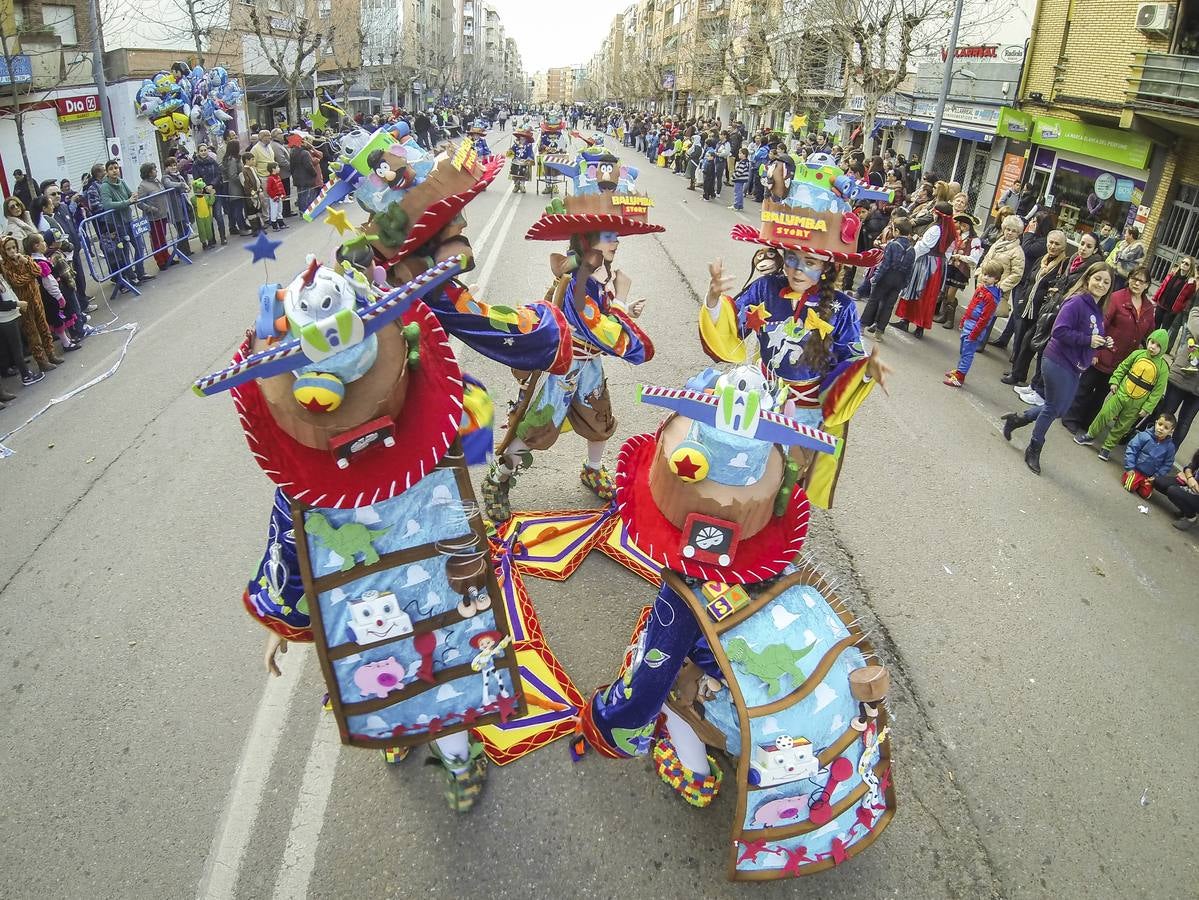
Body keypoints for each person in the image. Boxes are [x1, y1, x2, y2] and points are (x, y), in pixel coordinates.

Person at [699, 153, 891, 508]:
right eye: (791, 257)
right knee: (748, 469)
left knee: (789, 481)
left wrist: (865, 373)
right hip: (760, 399)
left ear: (829, 265)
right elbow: (731, 331)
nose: (797, 269)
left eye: (811, 262)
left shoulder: (843, 310)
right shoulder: (765, 289)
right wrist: (713, 301)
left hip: (806, 413)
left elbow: (849, 363)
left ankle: (779, 543)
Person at [483, 176, 661, 522]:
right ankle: (497, 481)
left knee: (600, 421)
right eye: (610, 237)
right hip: (564, 369)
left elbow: (603, 319)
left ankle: (593, 470)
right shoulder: (577, 281)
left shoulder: (593, 280)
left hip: (589, 367)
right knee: (536, 427)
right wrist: (622, 301)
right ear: (588, 241)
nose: (616, 243)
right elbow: (601, 331)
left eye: (616, 237)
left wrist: (621, 307)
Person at [1003, 262, 1114, 475]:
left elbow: (1090, 334)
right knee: (1053, 407)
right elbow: (1059, 332)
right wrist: (1088, 340)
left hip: (1075, 365)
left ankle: (1017, 419)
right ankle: (1034, 449)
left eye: (1106, 282)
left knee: (1059, 409)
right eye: (1097, 279)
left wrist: (1101, 342)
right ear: (1088, 278)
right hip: (1057, 361)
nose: (1101, 284)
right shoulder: (1077, 302)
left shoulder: (1098, 308)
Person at [1062, 266, 1154, 434]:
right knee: (1086, 386)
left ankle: (1087, 422)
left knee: (1102, 393)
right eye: (1134, 278)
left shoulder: (1148, 307)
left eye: (1141, 281)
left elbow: (1149, 334)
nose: (1137, 283)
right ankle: (1071, 418)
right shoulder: (1117, 298)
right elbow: (1101, 324)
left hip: (1123, 360)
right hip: (1104, 352)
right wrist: (1096, 351)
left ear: (1147, 285)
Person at [1074, 328, 1170, 458]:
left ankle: (1107, 447)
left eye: (1158, 346)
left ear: (1163, 349)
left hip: (1137, 403)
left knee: (1122, 426)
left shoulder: (1163, 369)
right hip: (1121, 393)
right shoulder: (1137, 354)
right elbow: (1123, 367)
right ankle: (1090, 435)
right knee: (1104, 414)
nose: (1153, 347)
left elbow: (1157, 391)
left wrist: (1147, 407)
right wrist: (1115, 381)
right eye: (1152, 342)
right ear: (1148, 341)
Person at [1003, 231, 1070, 385]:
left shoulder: (1063, 265)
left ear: (1063, 247)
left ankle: (1017, 374)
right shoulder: (1041, 259)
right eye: (1050, 242)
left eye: (1057, 244)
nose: (1052, 246)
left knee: (1028, 342)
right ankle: (1017, 371)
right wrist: (1021, 299)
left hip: (1041, 311)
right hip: (1026, 306)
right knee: (1019, 339)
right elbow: (1028, 280)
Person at [892, 200, 954, 337]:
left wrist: (911, 257)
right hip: (938, 264)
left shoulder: (935, 229)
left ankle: (905, 320)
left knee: (914, 289)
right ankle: (920, 326)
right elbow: (949, 252)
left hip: (925, 262)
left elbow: (924, 246)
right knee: (929, 295)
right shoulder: (951, 231)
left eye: (934, 212)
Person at [0, 234, 61, 370]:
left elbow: (37, 270)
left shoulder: (25, 258)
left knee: (44, 327)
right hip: (24, 303)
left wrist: (26, 262)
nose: (12, 251)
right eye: (8, 249)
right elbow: (16, 281)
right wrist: (31, 276)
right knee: (32, 333)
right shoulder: (5, 266)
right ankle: (41, 361)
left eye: (14, 247)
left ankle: (51, 354)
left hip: (36, 299)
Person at [944, 260, 1003, 388]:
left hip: (975, 328)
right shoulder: (981, 289)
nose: (986, 278)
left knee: (967, 353)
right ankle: (959, 370)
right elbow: (971, 306)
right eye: (985, 274)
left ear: (997, 279)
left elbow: (985, 318)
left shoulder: (991, 297)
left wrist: (975, 332)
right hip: (969, 324)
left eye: (990, 276)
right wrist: (964, 319)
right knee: (963, 349)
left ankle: (960, 377)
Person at [97, 159, 151, 286]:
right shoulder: (105, 186)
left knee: (139, 246)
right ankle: (131, 277)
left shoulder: (121, 181)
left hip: (129, 220)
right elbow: (107, 204)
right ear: (107, 172)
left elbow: (129, 194)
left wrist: (134, 196)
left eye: (116, 167)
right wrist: (127, 202)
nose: (115, 170)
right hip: (117, 224)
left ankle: (140, 272)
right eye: (111, 169)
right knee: (125, 251)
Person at [860, 215, 915, 340]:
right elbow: (910, 269)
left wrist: (875, 278)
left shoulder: (892, 245)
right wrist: (905, 283)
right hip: (899, 280)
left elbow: (885, 265)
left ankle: (862, 325)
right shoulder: (912, 249)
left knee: (873, 300)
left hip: (886, 277)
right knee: (888, 306)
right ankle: (879, 331)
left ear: (897, 231)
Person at [935, 213, 982, 328]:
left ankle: (950, 320)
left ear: (971, 226)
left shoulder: (975, 240)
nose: (963, 226)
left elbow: (974, 258)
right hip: (951, 266)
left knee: (951, 294)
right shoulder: (957, 235)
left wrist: (960, 257)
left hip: (961, 270)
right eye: (962, 223)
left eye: (966, 224)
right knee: (945, 292)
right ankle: (945, 316)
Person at [0, 269, 44, 389]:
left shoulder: (1, 276)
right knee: (17, 349)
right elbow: (1, 305)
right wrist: (17, 304)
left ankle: (24, 372)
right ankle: (26, 376)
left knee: (16, 348)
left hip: (11, 316)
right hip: (6, 319)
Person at [1119, 413, 1176, 497]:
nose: (1161, 429)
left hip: (1149, 476)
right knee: (1129, 487)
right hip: (1136, 470)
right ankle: (1130, 478)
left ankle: (1140, 484)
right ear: (1156, 423)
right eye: (1160, 424)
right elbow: (1132, 449)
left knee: (1145, 495)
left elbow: (1167, 464)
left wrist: (1156, 477)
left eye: (1166, 428)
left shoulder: (1170, 447)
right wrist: (1130, 467)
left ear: (1171, 431)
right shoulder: (1144, 436)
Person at [136, 162, 172, 270]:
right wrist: (151, 209)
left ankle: (166, 256)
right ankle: (160, 260)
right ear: (148, 172)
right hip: (153, 217)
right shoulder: (143, 186)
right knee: (156, 239)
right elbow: (139, 202)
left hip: (162, 214)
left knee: (163, 237)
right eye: (154, 169)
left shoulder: (157, 181)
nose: (156, 170)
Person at [191, 144, 228, 247]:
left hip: (215, 191)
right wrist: (204, 187)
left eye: (205, 150)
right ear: (198, 152)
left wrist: (212, 185)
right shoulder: (195, 165)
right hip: (203, 195)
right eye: (201, 151)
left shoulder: (213, 162)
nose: (203, 152)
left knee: (218, 215)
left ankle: (223, 236)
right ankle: (211, 240)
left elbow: (218, 175)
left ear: (207, 151)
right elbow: (196, 179)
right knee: (208, 218)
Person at [1154, 446, 1199, 529]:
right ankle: (1185, 508)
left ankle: (1191, 518)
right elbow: (1190, 466)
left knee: (1173, 491)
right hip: (1190, 483)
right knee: (1158, 482)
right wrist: (1189, 477)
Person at [1151, 256, 1195, 333]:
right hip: (1161, 304)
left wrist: (1179, 308)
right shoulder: (1172, 274)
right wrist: (1155, 298)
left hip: (1171, 310)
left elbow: (1188, 299)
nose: (1184, 264)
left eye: (1187, 264)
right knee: (1155, 326)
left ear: (1190, 268)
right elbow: (1162, 287)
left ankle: (1158, 344)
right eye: (1183, 262)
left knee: (1163, 331)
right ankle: (1150, 343)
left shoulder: (1190, 283)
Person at [162, 157, 195, 255]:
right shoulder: (165, 177)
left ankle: (183, 250)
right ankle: (182, 251)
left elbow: (184, 186)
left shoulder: (179, 175)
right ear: (166, 167)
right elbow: (169, 184)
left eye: (174, 165)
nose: (173, 167)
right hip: (175, 209)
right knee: (181, 230)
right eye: (170, 166)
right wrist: (181, 185)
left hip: (183, 205)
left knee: (185, 229)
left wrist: (187, 187)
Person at [1109, 225, 1145, 292]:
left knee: (1116, 293)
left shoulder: (1139, 247)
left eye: (1126, 233)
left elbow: (1125, 256)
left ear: (1131, 235)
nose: (1124, 235)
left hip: (1125, 276)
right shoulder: (1126, 243)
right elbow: (1116, 255)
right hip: (1117, 273)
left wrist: (1119, 251)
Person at [269, 128, 294, 217]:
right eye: (280, 133)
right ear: (275, 135)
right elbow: (281, 161)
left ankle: (287, 210)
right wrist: (292, 167)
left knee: (286, 192)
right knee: (285, 192)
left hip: (284, 173)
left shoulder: (279, 144)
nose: (282, 135)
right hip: (282, 173)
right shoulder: (275, 146)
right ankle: (286, 211)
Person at [240, 152, 265, 236]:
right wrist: (252, 193)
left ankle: (260, 227)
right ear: (246, 160)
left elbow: (257, 179)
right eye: (252, 159)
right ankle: (255, 229)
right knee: (252, 213)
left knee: (258, 211)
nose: (254, 161)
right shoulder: (243, 171)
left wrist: (260, 189)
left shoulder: (253, 169)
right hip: (250, 196)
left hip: (257, 193)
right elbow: (245, 184)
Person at [265, 163, 286, 231]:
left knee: (280, 210)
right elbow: (268, 189)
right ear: (273, 169)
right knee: (274, 211)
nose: (279, 169)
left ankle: (281, 223)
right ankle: (274, 224)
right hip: (274, 198)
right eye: (277, 167)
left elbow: (281, 186)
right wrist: (274, 196)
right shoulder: (270, 178)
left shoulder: (278, 177)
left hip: (279, 196)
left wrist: (283, 194)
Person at [730, 147, 749, 211]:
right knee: (740, 192)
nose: (739, 154)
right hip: (743, 178)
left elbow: (739, 172)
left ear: (744, 154)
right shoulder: (746, 162)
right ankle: (740, 205)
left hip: (739, 178)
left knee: (737, 192)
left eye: (740, 153)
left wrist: (733, 177)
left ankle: (736, 205)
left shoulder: (742, 162)